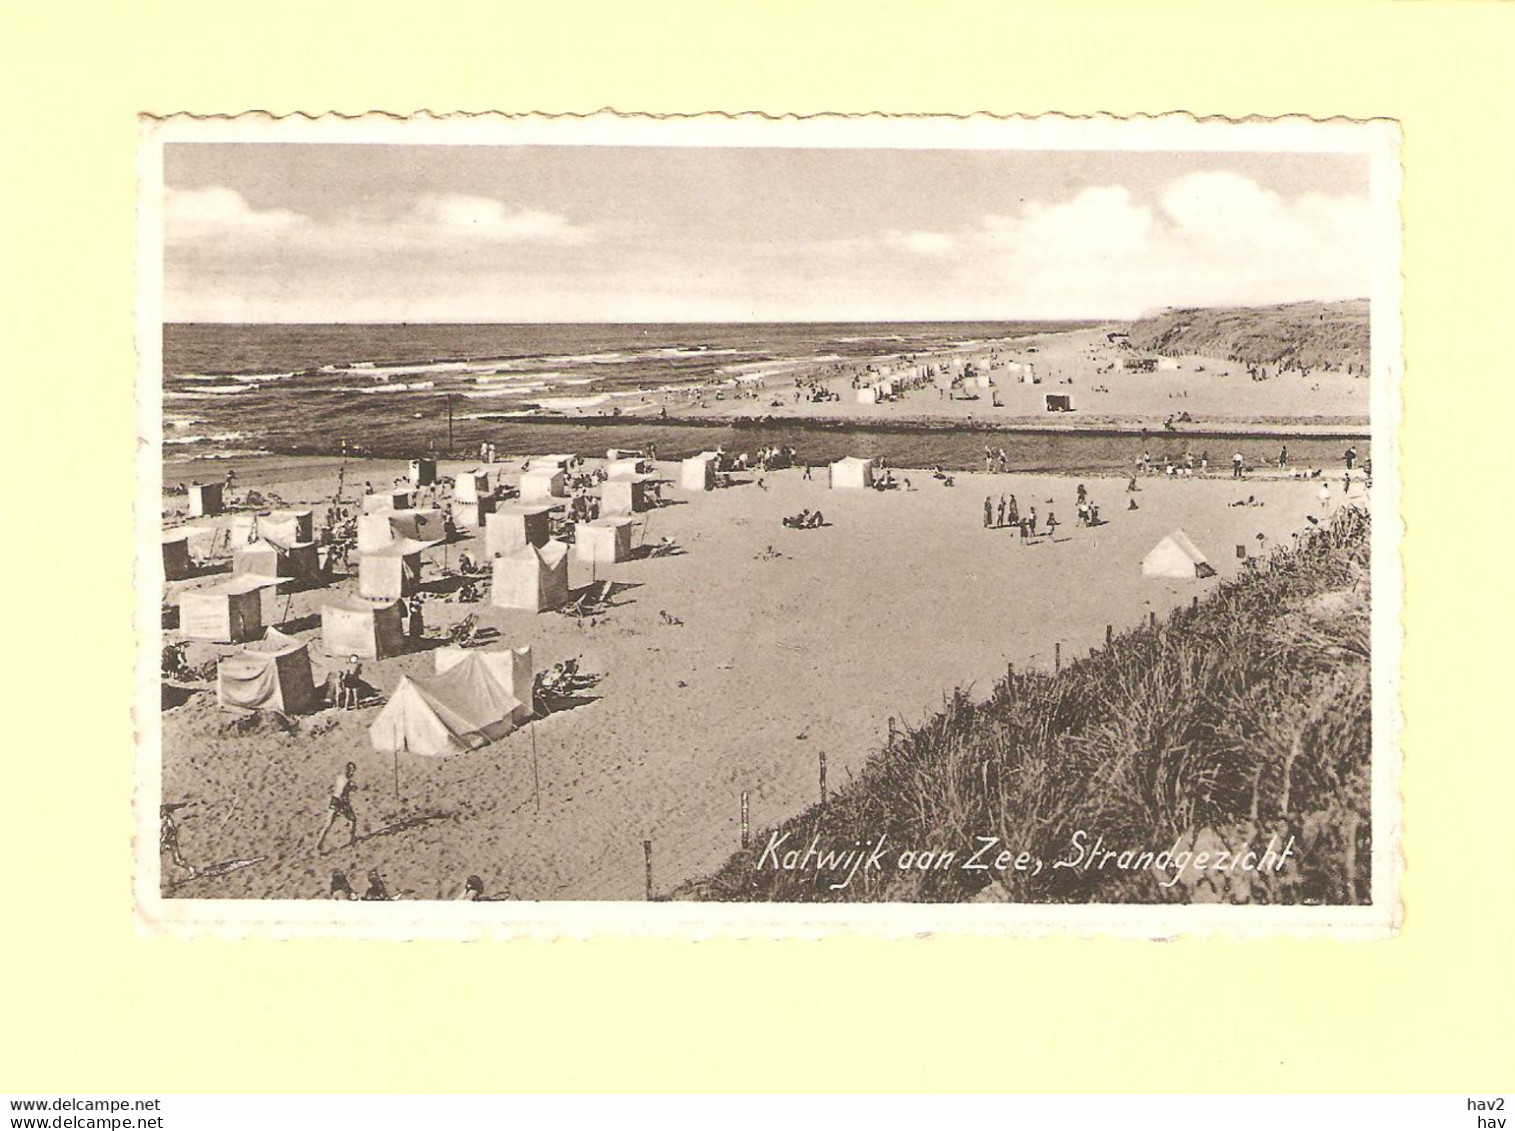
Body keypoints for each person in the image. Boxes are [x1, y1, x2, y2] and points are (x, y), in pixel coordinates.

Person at [317, 762, 359, 852]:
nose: (352, 773)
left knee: (328, 823)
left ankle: (318, 843)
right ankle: (351, 841)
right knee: (352, 820)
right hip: (341, 802)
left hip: (334, 800)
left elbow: (336, 789)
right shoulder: (347, 781)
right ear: (348, 770)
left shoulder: (340, 777)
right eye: (352, 771)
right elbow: (342, 793)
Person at [159, 803, 196, 878]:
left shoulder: (168, 820)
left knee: (177, 860)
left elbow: (173, 830)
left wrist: (166, 838)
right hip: (164, 842)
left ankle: (192, 870)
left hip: (170, 842)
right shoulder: (161, 820)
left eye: (162, 811)